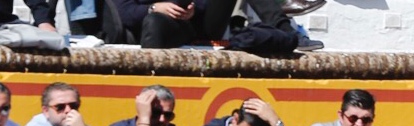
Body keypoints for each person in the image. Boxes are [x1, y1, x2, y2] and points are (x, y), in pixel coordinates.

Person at [108, 0, 296, 49]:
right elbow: (124, 13)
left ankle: (287, 31)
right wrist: (154, 8)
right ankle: (153, 83)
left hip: (198, 23)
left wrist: (194, 9)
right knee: (154, 22)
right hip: (159, 25)